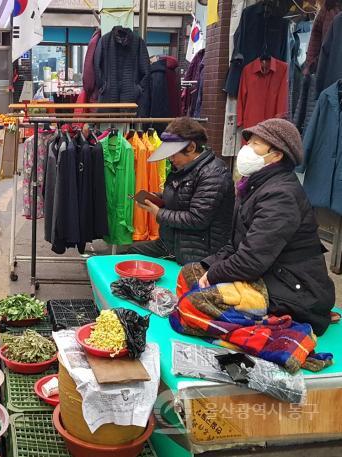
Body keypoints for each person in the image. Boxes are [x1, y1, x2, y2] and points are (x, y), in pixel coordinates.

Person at [199, 118, 335, 335]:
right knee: (192, 275)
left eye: (255, 144)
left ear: (277, 154)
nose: (246, 149)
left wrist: (214, 274)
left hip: (296, 295)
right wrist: (208, 266)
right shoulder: (254, 187)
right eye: (248, 142)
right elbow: (236, 245)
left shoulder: (280, 195)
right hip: (271, 276)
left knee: (198, 305)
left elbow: (250, 260)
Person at [130, 117, 234, 265]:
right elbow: (182, 198)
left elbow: (197, 219)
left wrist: (158, 212)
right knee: (130, 253)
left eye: (173, 154)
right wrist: (156, 197)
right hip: (172, 244)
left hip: (199, 253)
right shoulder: (184, 167)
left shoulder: (214, 173)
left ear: (191, 147)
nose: (170, 159)